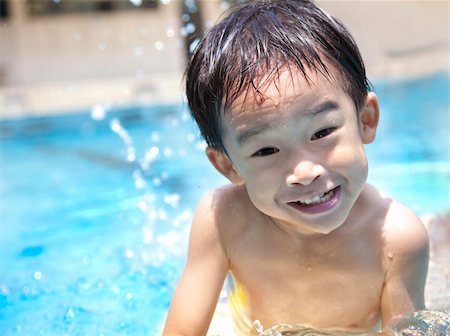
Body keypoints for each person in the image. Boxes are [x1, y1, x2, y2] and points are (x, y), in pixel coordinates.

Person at [163, 0, 429, 334]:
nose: (305, 171)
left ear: (366, 120)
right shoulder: (223, 222)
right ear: (228, 165)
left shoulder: (396, 240)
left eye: (322, 132)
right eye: (266, 150)